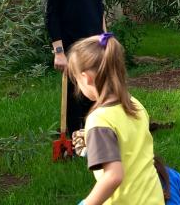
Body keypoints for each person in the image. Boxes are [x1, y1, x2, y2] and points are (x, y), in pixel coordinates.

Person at [67, 33, 164, 205]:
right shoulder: (134, 104)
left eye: (76, 80)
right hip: (153, 198)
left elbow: (113, 176)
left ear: (86, 78)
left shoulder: (99, 120)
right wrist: (95, 149)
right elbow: (129, 147)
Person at [45, 0, 106, 133]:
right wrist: (58, 52)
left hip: (95, 41)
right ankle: (73, 138)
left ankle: (96, 134)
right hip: (71, 43)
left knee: (97, 90)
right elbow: (51, 15)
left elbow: (99, 6)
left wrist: (104, 37)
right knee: (75, 93)